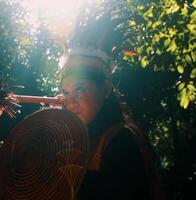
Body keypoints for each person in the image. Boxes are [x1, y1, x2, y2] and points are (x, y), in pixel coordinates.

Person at [58, 11, 165, 200]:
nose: (70, 101)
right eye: (66, 92)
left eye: (80, 89)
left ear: (106, 88)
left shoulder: (122, 141)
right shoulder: (83, 140)